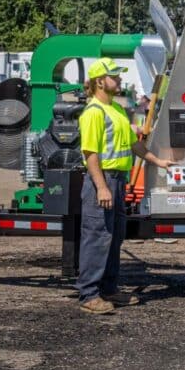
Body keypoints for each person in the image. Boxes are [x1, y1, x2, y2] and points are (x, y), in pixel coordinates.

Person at [76, 57, 171, 314]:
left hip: (118, 181)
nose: (119, 80)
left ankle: (108, 290)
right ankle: (89, 295)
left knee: (114, 237)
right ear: (99, 81)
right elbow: (90, 154)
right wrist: (101, 187)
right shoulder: (93, 112)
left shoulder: (116, 111)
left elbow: (134, 145)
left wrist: (158, 161)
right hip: (103, 181)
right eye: (114, 76)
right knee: (97, 238)